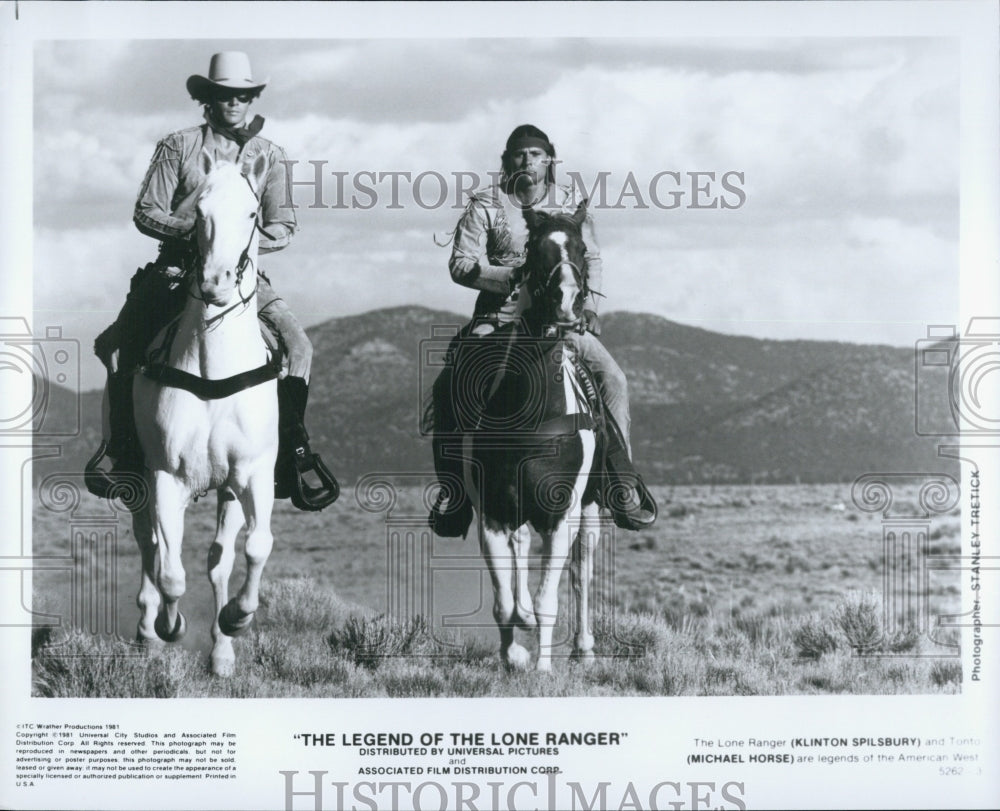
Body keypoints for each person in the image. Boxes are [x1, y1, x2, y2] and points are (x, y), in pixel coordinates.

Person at [85, 51, 337, 511]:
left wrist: (241, 241)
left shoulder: (270, 156)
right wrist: (198, 231)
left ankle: (293, 455)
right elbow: (146, 211)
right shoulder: (177, 146)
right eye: (226, 95)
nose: (236, 102)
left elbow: (284, 225)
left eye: (244, 94)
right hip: (176, 269)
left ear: (251, 97)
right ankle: (121, 450)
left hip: (243, 276)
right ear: (209, 99)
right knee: (118, 345)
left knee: (300, 348)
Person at [429, 124, 656, 536]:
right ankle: (454, 490)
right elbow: (461, 264)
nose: (527, 161)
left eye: (535, 154)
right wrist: (513, 276)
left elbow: (593, 259)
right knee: (451, 383)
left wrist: (588, 307)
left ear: (550, 160)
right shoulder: (486, 206)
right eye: (519, 154)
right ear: (507, 161)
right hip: (498, 321)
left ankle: (618, 478)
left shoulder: (571, 207)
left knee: (613, 379)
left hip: (561, 319)